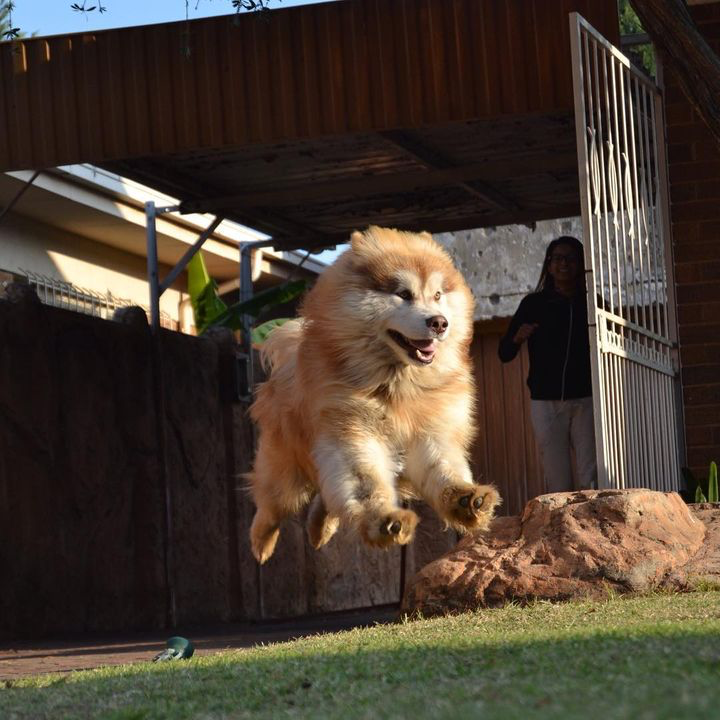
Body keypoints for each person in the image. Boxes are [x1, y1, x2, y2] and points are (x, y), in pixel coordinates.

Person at [498, 236, 597, 493]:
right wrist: (518, 338)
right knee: (558, 479)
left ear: (581, 264)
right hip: (545, 402)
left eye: (571, 258)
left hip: (586, 400)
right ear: (549, 265)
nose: (564, 264)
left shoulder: (592, 303)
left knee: (593, 474)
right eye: (558, 258)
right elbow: (504, 352)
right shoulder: (533, 304)